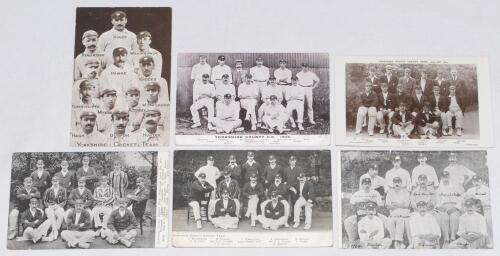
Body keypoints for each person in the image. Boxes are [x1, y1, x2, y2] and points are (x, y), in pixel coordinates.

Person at [343, 178, 383, 247]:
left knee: (384, 220)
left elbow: (380, 204)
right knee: (348, 221)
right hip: (361, 214)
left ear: (371, 184)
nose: (367, 186)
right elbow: (352, 203)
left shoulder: (375, 193)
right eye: (365, 184)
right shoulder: (358, 193)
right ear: (362, 185)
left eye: (368, 184)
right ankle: (352, 241)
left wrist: (371, 200)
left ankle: (373, 240)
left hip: (372, 213)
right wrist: (361, 201)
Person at [464, 175, 492, 248]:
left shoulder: (487, 189)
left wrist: (476, 199)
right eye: (474, 181)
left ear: (481, 181)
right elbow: (464, 198)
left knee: (487, 220)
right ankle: (473, 241)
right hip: (474, 210)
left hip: (486, 209)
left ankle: (489, 240)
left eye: (478, 181)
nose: (476, 183)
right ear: (473, 182)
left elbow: (488, 201)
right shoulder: (470, 190)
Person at [436, 171, 463, 243]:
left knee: (454, 218)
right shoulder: (439, 189)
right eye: (443, 177)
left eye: (447, 177)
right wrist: (440, 207)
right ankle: (446, 238)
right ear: (441, 178)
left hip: (454, 206)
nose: (445, 179)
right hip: (444, 206)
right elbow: (437, 201)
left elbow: (460, 198)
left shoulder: (455, 187)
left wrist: (456, 208)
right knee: (444, 218)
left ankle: (453, 237)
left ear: (449, 177)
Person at [385, 177, 411, 249]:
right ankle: (394, 240)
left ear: (401, 183)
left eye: (398, 182)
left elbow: (407, 205)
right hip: (394, 212)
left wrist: (396, 204)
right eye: (395, 182)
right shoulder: (390, 192)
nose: (397, 184)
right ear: (393, 184)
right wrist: (400, 204)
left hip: (404, 212)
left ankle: (399, 241)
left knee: (401, 220)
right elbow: (388, 205)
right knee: (390, 221)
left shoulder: (406, 192)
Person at [43, 176, 67, 240]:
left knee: (61, 213)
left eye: (56, 181)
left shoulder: (63, 189)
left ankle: (55, 230)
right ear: (52, 182)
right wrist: (49, 206)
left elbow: (65, 200)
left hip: (58, 206)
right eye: (54, 181)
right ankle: (55, 231)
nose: (55, 183)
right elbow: (45, 200)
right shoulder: (48, 190)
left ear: (58, 181)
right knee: (50, 213)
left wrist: (59, 206)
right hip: (50, 207)